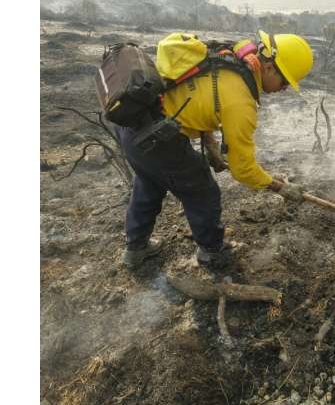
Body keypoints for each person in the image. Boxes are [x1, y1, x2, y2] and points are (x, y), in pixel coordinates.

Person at [117, 31, 314, 269]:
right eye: (285, 82)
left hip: (131, 124)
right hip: (154, 139)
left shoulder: (229, 55)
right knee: (203, 190)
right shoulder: (241, 103)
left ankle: (135, 249)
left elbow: (198, 94)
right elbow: (242, 169)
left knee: (150, 180)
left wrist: (210, 145)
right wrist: (280, 187)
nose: (284, 89)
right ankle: (212, 252)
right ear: (270, 67)